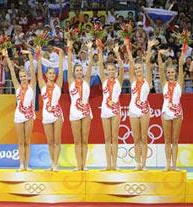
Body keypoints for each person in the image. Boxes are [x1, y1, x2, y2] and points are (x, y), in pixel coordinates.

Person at [125, 39, 158, 170]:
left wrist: (149, 48)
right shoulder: (132, 80)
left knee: (144, 138)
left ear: (142, 70)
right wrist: (128, 47)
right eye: (136, 68)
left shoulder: (147, 81)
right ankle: (137, 163)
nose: (138, 69)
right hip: (133, 110)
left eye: (140, 68)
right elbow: (131, 63)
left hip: (145, 110)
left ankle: (144, 164)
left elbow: (148, 64)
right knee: (136, 138)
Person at [5, 49, 36, 171]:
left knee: (27, 141)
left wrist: (29, 55)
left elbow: (33, 71)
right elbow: (12, 71)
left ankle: (27, 165)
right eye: (21, 76)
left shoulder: (32, 85)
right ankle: (21, 164)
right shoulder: (17, 87)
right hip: (19, 115)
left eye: (24, 76)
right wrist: (7, 57)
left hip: (29, 115)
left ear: (27, 77)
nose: (23, 78)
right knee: (21, 141)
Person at [158, 46, 185, 171]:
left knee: (175, 140)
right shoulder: (164, 83)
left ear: (175, 73)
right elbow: (160, 67)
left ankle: (174, 165)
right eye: (168, 72)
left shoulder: (180, 82)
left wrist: (183, 53)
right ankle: (167, 164)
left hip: (178, 113)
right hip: (166, 112)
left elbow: (180, 66)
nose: (170, 74)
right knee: (167, 139)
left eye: (172, 72)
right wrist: (159, 55)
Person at [67, 40, 93, 171]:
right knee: (77, 141)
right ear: (73, 72)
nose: (79, 72)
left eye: (80, 70)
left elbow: (90, 66)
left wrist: (90, 50)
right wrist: (70, 48)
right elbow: (69, 61)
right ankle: (78, 165)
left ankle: (84, 164)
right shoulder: (70, 81)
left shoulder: (86, 80)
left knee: (84, 140)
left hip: (86, 112)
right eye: (77, 70)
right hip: (74, 113)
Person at [37, 46, 64, 171]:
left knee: (57, 141)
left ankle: (56, 164)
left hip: (57, 114)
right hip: (46, 115)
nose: (52, 75)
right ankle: (52, 163)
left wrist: (61, 54)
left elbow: (61, 66)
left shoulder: (58, 84)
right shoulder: (42, 85)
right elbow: (38, 73)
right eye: (50, 73)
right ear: (46, 74)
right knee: (50, 141)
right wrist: (38, 55)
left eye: (54, 73)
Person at [98, 43, 124, 171]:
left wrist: (117, 53)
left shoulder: (119, 80)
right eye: (109, 70)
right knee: (107, 138)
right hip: (105, 110)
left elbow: (122, 68)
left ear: (116, 71)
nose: (111, 71)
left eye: (113, 69)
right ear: (106, 71)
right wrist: (100, 50)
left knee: (115, 137)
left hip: (115, 110)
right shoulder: (104, 80)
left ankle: (115, 164)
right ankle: (108, 164)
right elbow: (99, 66)